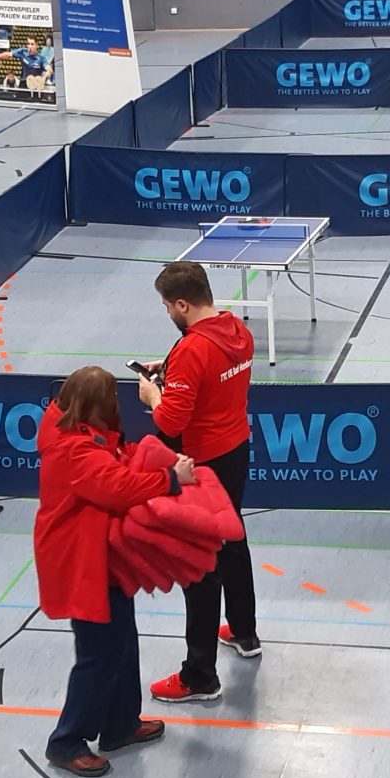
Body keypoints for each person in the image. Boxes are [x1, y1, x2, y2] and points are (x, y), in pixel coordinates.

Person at [35, 365, 193, 776]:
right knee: (98, 654)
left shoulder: (80, 432)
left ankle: (120, 724)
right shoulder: (74, 450)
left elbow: (118, 461)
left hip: (103, 558)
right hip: (82, 562)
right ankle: (65, 741)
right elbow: (116, 488)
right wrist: (170, 479)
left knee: (122, 642)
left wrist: (152, 460)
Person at [136, 262, 257, 703]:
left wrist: (154, 394)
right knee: (233, 539)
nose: (168, 312)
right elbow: (206, 372)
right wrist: (171, 367)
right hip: (236, 449)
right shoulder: (237, 330)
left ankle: (200, 676)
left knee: (201, 566)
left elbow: (170, 420)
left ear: (183, 304)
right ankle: (244, 631)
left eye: (168, 306)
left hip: (202, 463)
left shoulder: (192, 350)